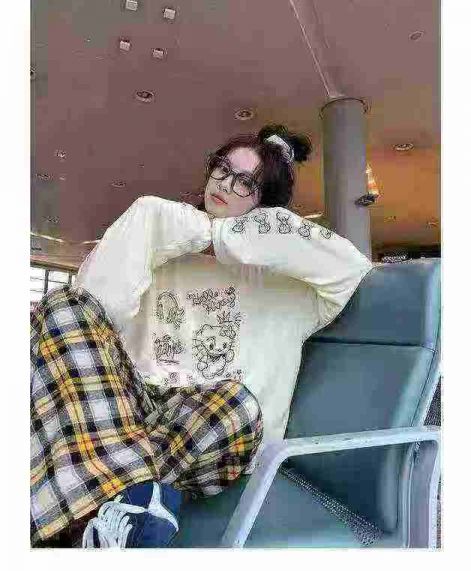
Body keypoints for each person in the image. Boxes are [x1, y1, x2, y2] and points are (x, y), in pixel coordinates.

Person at [30, 124, 373, 548]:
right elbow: (96, 308)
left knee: (236, 403)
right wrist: (171, 225)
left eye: (245, 182)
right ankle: (123, 509)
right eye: (222, 169)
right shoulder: (159, 248)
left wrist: (225, 235)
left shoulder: (293, 289)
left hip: (211, 427)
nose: (224, 184)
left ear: (265, 206)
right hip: (127, 419)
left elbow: (353, 269)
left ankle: (76, 505)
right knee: (63, 305)